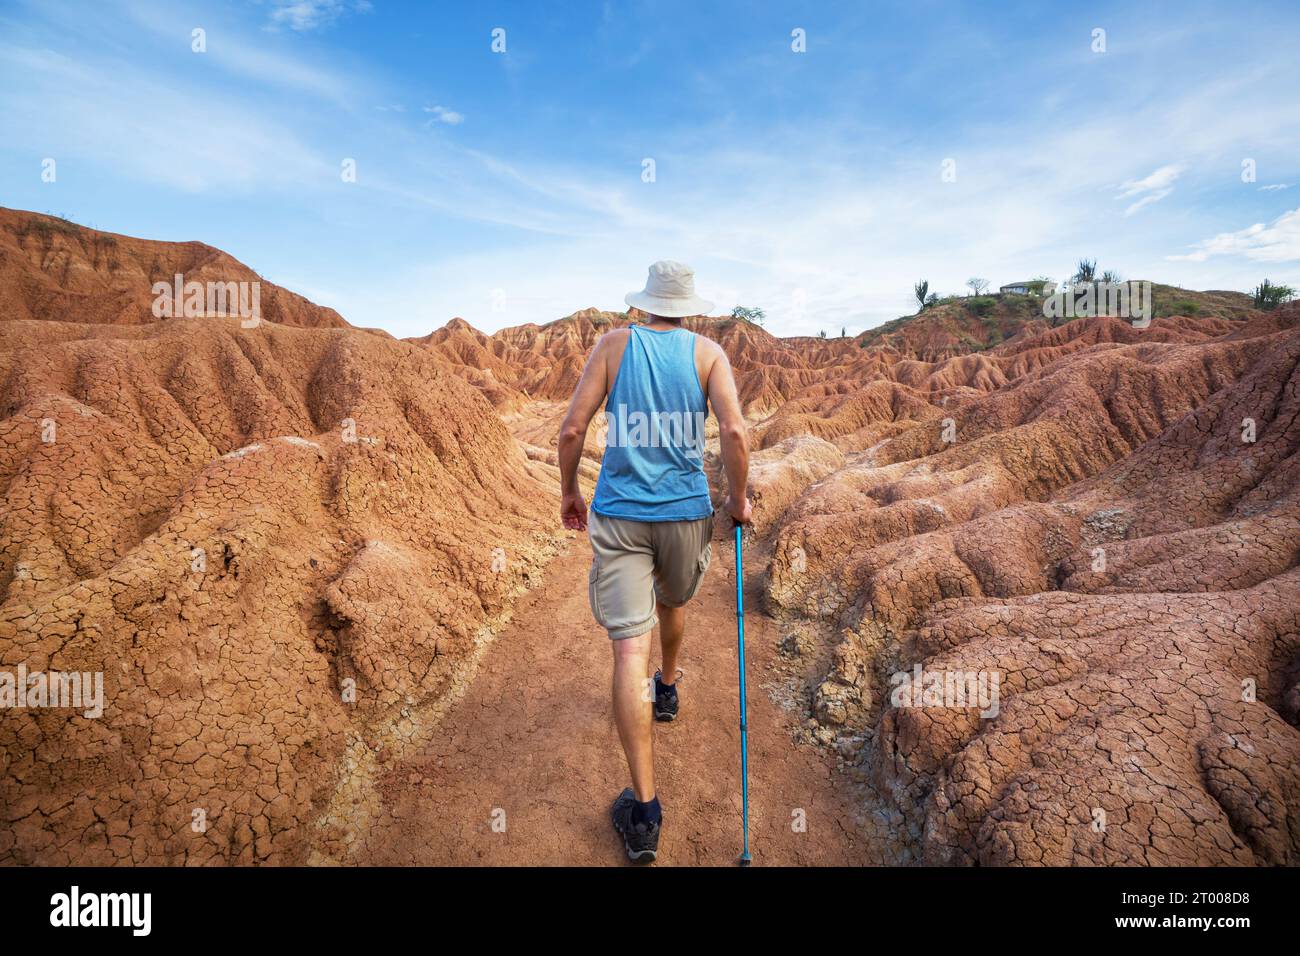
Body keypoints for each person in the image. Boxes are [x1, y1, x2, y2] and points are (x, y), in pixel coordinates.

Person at [557, 260, 752, 863]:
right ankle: (668, 688)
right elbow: (735, 434)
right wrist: (738, 500)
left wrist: (569, 492)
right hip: (685, 516)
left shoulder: (613, 345)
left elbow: (571, 431)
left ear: (644, 303)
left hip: (619, 515)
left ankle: (644, 812)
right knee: (674, 601)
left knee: (625, 651)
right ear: (688, 305)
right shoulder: (708, 354)